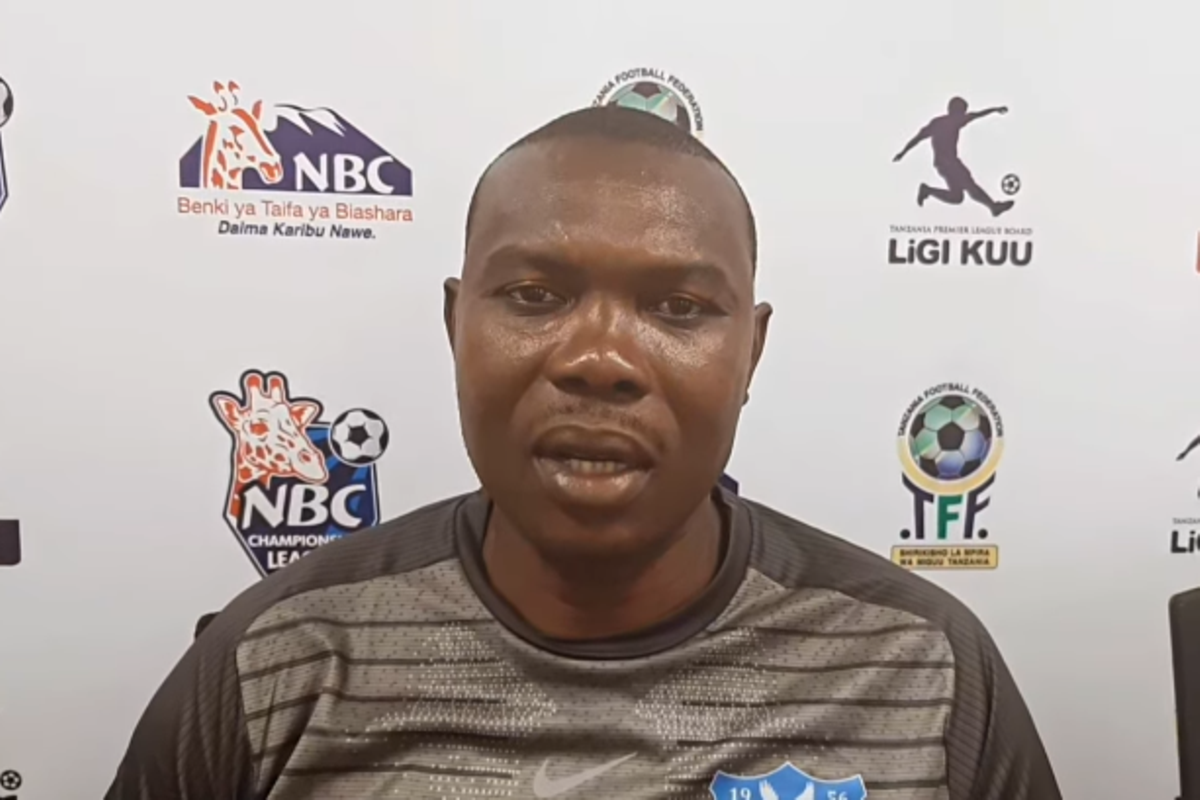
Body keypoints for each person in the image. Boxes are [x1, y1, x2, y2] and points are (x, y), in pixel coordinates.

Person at [104, 105, 1061, 799]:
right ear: (456, 325)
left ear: (751, 352)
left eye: (678, 307)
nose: (600, 359)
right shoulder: (282, 659)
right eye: (534, 296)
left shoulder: (921, 665)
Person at [893, 96, 1015, 218]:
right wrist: (995, 109)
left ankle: (927, 190)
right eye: (962, 111)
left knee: (957, 197)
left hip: (942, 164)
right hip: (949, 163)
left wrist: (903, 153)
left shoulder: (938, 122)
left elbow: (918, 138)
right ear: (955, 110)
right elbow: (975, 115)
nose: (963, 114)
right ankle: (993, 207)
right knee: (969, 185)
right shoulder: (952, 121)